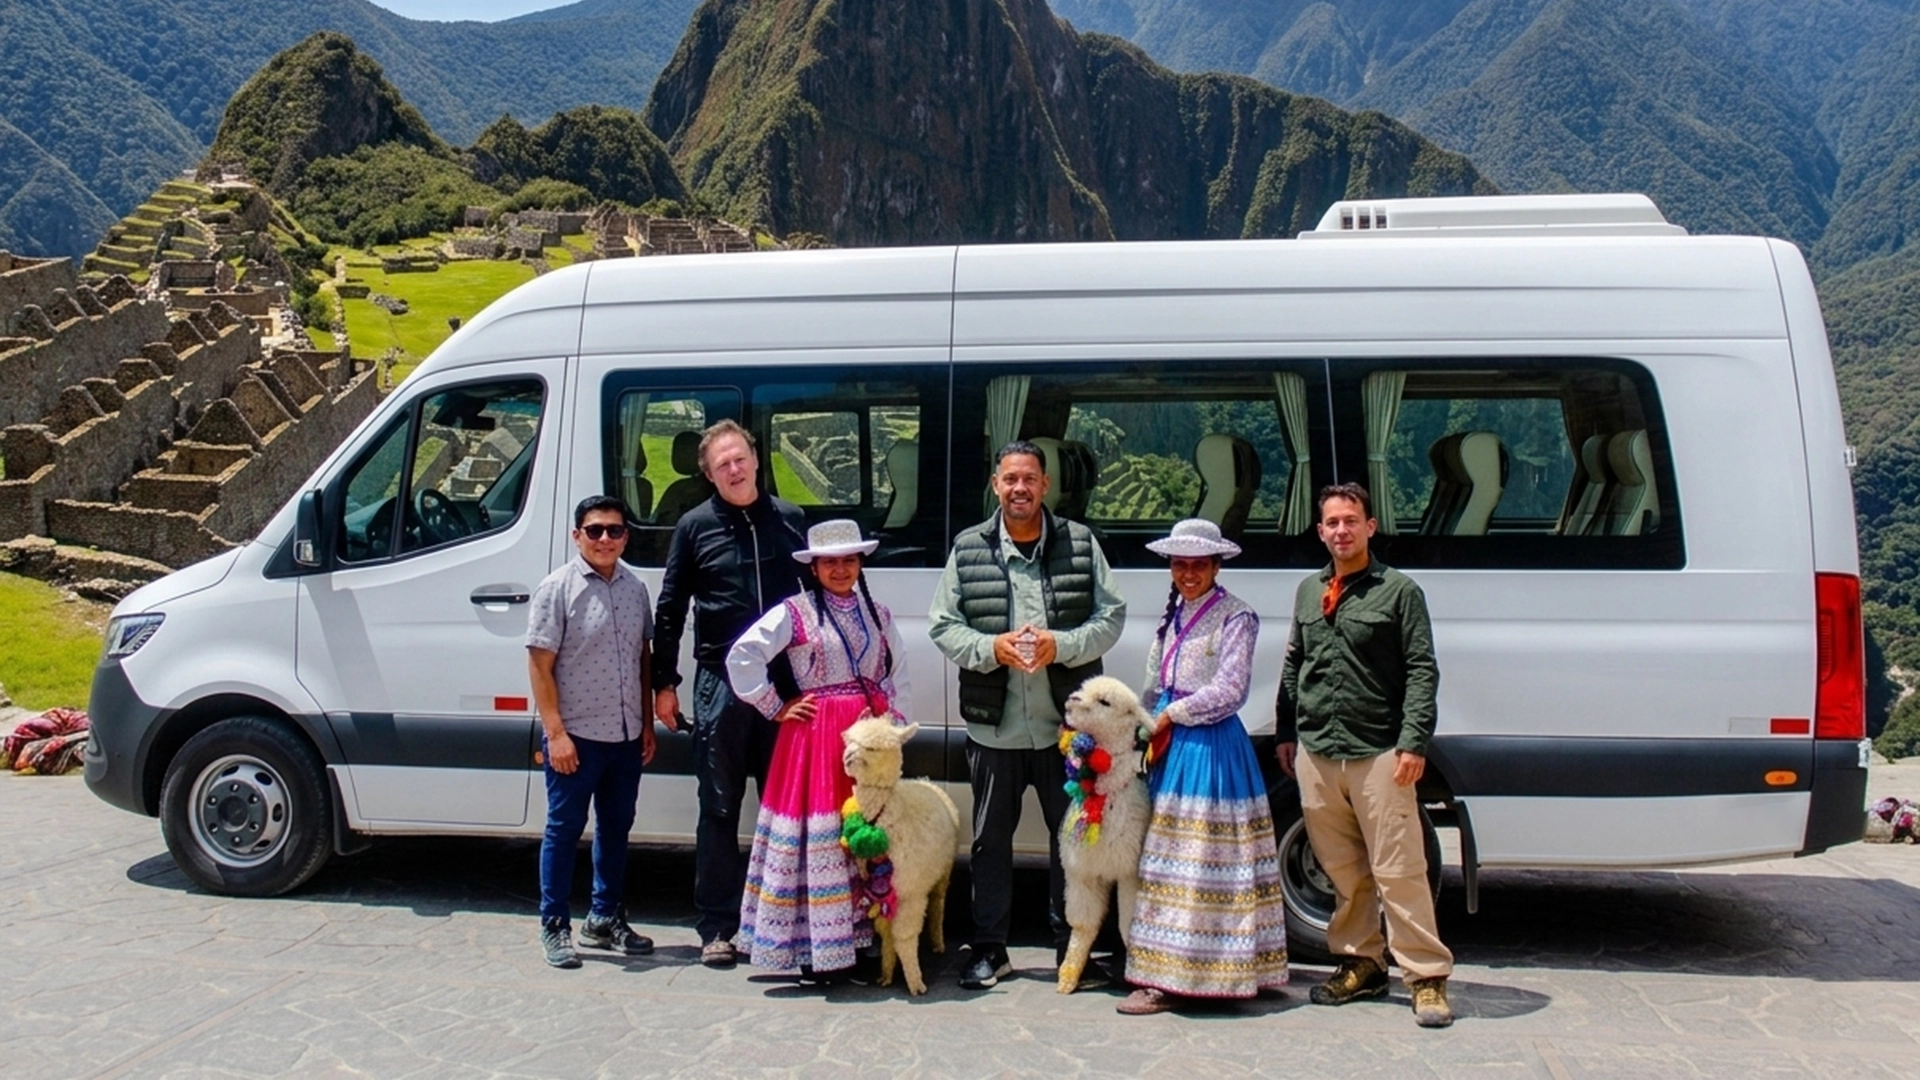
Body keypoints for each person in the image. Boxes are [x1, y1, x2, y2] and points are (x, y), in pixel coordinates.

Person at [929, 440, 1126, 990]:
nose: (1020, 488)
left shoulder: (1080, 543)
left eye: (1030, 479)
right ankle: (990, 948)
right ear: (996, 485)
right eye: (1010, 479)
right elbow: (943, 624)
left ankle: (1072, 948)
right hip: (994, 728)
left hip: (1067, 730)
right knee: (990, 844)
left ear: (1045, 485)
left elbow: (1111, 616)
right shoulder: (969, 547)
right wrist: (990, 648)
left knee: (1073, 845)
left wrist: (1062, 646)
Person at [1277, 482, 1454, 1028]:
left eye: (1351, 520)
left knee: (1400, 870)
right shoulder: (1308, 591)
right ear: (1320, 531)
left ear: (1370, 527)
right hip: (1318, 751)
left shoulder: (1399, 592)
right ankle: (1362, 963)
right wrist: (1286, 731)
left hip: (1380, 750)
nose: (1341, 531)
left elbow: (1422, 670)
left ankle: (1426, 977)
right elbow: (1295, 663)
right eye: (1332, 522)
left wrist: (1413, 741)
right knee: (1342, 871)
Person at [652, 420, 808, 968]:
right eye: (723, 465)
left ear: (756, 459)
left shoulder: (791, 519)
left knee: (785, 808)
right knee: (718, 807)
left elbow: (818, 595)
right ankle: (718, 926)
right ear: (709, 475)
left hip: (785, 682)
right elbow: (670, 609)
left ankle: (785, 924)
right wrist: (664, 683)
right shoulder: (694, 527)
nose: (735, 470)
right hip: (721, 683)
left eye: (740, 458)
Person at [1117, 519, 1289, 1015]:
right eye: (1180, 565)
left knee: (1197, 859)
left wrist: (1172, 714)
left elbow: (1231, 690)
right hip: (1173, 747)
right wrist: (1140, 724)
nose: (1188, 574)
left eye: (1198, 565)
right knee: (1169, 860)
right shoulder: (1174, 614)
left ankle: (1199, 974)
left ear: (1216, 566)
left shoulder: (1237, 617)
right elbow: (1155, 682)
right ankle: (1169, 972)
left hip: (1210, 749)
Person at [726, 519, 910, 982]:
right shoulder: (795, 613)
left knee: (865, 833)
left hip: (865, 738)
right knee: (822, 837)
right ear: (814, 568)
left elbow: (897, 671)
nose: (840, 570)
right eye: (830, 562)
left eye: (849, 561)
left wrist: (891, 723)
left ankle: (861, 940)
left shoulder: (878, 614)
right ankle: (819, 949)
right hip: (816, 740)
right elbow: (743, 655)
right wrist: (775, 705)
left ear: (860, 563)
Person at [526, 495, 660, 968]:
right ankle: (554, 924)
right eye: (595, 530)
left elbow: (643, 659)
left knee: (616, 829)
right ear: (577, 535)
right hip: (577, 736)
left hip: (625, 734)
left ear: (626, 536)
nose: (605, 539)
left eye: (615, 530)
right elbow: (539, 665)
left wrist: (645, 723)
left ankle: (604, 917)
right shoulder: (557, 589)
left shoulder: (635, 589)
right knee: (564, 830)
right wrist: (556, 734)